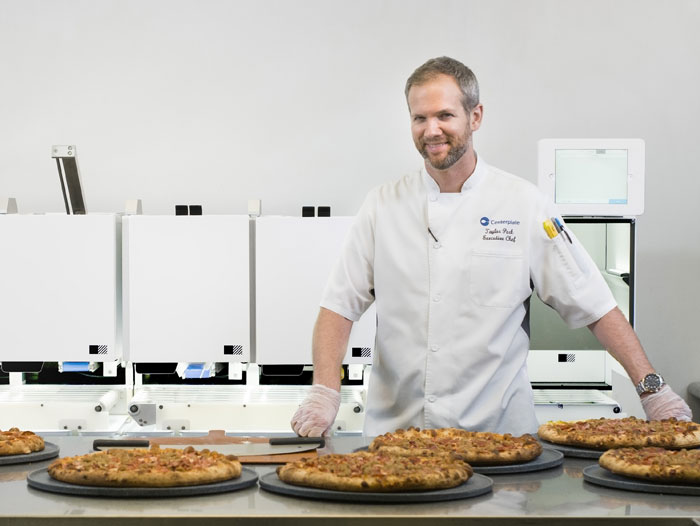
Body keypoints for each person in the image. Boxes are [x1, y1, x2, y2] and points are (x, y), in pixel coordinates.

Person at [291, 56, 692, 437]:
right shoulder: (382, 205)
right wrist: (324, 391)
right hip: (397, 438)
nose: (431, 130)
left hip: (500, 441)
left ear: (475, 116)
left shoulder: (523, 204)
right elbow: (338, 307)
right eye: (419, 118)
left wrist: (652, 390)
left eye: (445, 115)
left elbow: (595, 304)